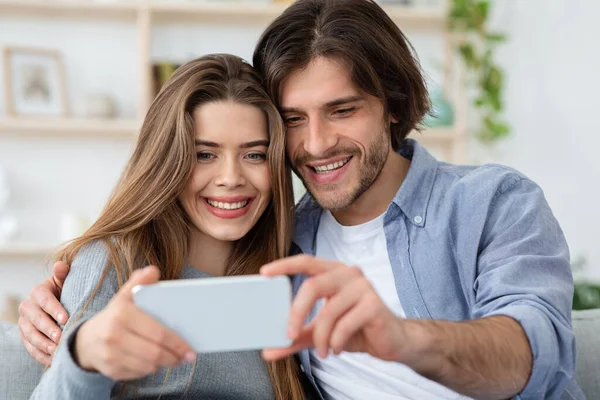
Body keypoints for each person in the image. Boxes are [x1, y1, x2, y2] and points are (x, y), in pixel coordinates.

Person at [19, 1, 584, 399]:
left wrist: (405, 338)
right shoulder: (285, 245)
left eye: (342, 110)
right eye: (293, 120)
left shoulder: (491, 202)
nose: (315, 145)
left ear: (391, 103)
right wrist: (69, 325)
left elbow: (538, 352)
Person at [26, 53, 307, 399]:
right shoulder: (113, 262)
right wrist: (83, 355)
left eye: (254, 155)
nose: (231, 178)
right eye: (205, 154)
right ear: (168, 161)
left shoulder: (286, 271)